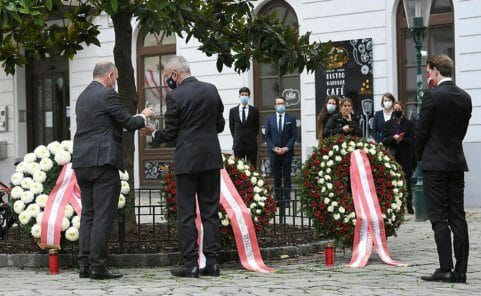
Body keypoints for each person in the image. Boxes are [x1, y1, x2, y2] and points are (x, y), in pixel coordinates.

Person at [72, 60, 153, 280]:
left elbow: (107, 124)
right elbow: (127, 121)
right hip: (103, 163)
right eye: (115, 79)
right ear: (109, 75)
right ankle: (98, 266)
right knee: (102, 216)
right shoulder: (107, 95)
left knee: (88, 214)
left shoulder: (83, 97)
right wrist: (144, 115)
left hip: (81, 162)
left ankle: (84, 265)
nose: (115, 83)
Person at [147, 56, 225, 278]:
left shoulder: (175, 96)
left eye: (166, 77)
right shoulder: (211, 90)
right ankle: (212, 262)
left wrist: (153, 133)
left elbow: (170, 133)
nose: (166, 82)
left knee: (186, 213)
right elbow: (220, 124)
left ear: (174, 74)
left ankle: (190, 263)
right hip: (210, 158)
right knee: (211, 212)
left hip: (187, 160)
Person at [417, 54, 472, 284]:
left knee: (439, 218)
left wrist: (418, 158)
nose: (428, 75)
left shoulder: (432, 96)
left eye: (429, 71)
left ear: (437, 70)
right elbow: (462, 131)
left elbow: (422, 131)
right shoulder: (465, 97)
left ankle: (445, 268)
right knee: (458, 216)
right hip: (455, 162)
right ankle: (461, 271)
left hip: (434, 164)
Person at [382, 102, 415, 214]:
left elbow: (412, 140)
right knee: (393, 182)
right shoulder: (388, 124)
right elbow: (385, 140)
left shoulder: (409, 123)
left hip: (406, 156)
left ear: (402, 110)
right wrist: (393, 138)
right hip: (393, 155)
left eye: (399, 109)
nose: (397, 110)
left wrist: (402, 139)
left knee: (407, 182)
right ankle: (395, 207)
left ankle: (409, 207)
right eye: (395, 109)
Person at [264, 96, 297, 207]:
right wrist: (274, 148)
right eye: (278, 103)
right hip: (274, 153)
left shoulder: (291, 118)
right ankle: (278, 199)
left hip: (287, 153)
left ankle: (287, 200)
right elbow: (267, 137)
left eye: (282, 103)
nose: (281, 105)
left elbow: (293, 136)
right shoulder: (269, 119)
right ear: (275, 106)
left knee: (287, 177)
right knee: (277, 177)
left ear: (285, 104)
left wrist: (286, 148)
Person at [229, 87, 260, 166]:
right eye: (242, 95)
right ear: (239, 96)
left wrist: (250, 136)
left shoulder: (255, 110)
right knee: (238, 169)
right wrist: (238, 137)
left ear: (249, 96)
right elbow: (232, 127)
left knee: (252, 167)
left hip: (251, 144)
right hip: (238, 144)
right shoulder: (233, 111)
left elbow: (257, 127)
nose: (244, 96)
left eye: (246, 95)